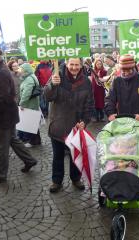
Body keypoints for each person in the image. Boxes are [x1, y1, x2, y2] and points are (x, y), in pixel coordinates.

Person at [0, 47, 38, 186]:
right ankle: (30, 160)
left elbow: (2, 97)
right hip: (7, 115)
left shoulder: (1, 72)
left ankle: (0, 174)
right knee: (13, 140)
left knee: (1, 146)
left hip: (3, 117)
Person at [44, 58, 94, 193]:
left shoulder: (86, 82)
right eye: (71, 64)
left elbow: (89, 104)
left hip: (76, 126)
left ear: (81, 65)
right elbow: (47, 97)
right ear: (67, 64)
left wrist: (85, 120)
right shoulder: (56, 76)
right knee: (58, 156)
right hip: (58, 125)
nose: (74, 67)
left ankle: (76, 178)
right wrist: (52, 85)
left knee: (75, 155)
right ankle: (56, 181)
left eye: (77, 64)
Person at [104, 54, 139, 129]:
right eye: (124, 70)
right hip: (121, 122)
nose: (127, 72)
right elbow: (109, 99)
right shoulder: (116, 81)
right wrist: (110, 113)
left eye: (129, 70)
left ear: (133, 67)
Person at [18, 63, 42, 145]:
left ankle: (33, 142)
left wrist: (22, 103)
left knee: (31, 124)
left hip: (30, 104)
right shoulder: (31, 76)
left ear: (26, 70)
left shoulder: (28, 79)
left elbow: (26, 93)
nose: (20, 71)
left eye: (21, 69)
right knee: (33, 123)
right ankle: (36, 141)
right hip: (32, 103)